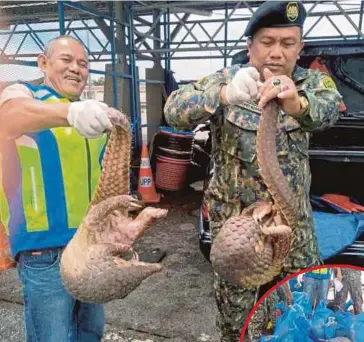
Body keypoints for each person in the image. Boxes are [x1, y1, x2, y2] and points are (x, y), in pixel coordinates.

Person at [163, 1, 343, 340]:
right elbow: (174, 109)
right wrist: (222, 94)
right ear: (250, 46)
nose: (277, 52)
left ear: (300, 47)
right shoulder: (227, 79)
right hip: (237, 234)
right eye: (267, 42)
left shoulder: (312, 83)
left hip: (293, 231)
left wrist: (296, 103)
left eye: (287, 43)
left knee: (302, 312)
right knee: (237, 322)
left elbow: (329, 110)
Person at [0, 35, 124, 342]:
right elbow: (9, 117)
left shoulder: (89, 114)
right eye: (66, 60)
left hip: (90, 247)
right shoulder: (25, 95)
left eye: (83, 64)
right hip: (44, 250)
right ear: (43, 63)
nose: (76, 69)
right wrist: (69, 114)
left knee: (89, 333)